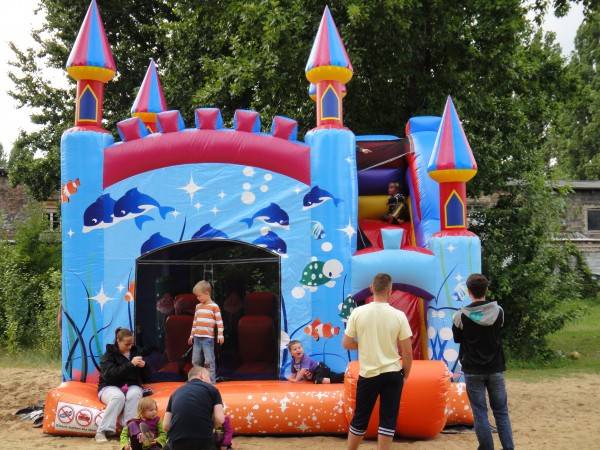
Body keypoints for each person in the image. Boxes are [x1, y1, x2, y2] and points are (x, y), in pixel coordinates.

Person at [342, 273, 413, 450]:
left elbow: (347, 343)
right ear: (390, 291)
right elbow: (407, 352)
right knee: (388, 419)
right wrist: (405, 374)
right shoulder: (399, 315)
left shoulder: (358, 312)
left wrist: (365, 342)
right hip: (393, 373)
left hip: (369, 374)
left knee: (360, 418)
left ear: (372, 288)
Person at [452, 274, 514, 450]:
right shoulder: (499, 312)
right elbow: (499, 330)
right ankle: (509, 447)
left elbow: (457, 339)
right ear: (486, 290)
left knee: (480, 413)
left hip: (472, 370)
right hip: (496, 368)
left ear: (469, 291)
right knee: (501, 412)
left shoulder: (460, 316)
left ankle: (486, 447)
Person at [96, 327, 150, 443]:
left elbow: (147, 377)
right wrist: (130, 364)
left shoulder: (136, 351)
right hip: (109, 386)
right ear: (118, 341)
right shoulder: (108, 355)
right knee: (118, 397)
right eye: (126, 344)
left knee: (135, 394)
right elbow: (109, 376)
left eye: (131, 344)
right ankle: (102, 430)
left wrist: (144, 366)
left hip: (131, 385)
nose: (130, 347)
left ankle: (129, 431)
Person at [164, 366, 225, 450]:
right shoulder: (212, 389)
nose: (210, 381)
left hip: (177, 441)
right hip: (203, 441)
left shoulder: (175, 393)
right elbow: (220, 419)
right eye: (209, 378)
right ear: (202, 375)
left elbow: (166, 425)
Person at [188, 280, 224, 384]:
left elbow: (219, 321)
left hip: (207, 339)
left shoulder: (214, 306)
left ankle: (211, 382)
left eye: (199, 296)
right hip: (197, 338)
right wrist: (191, 335)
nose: (197, 298)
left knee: (209, 361)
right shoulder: (198, 307)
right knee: (195, 360)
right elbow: (195, 321)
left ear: (207, 293)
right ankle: (196, 381)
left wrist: (220, 334)